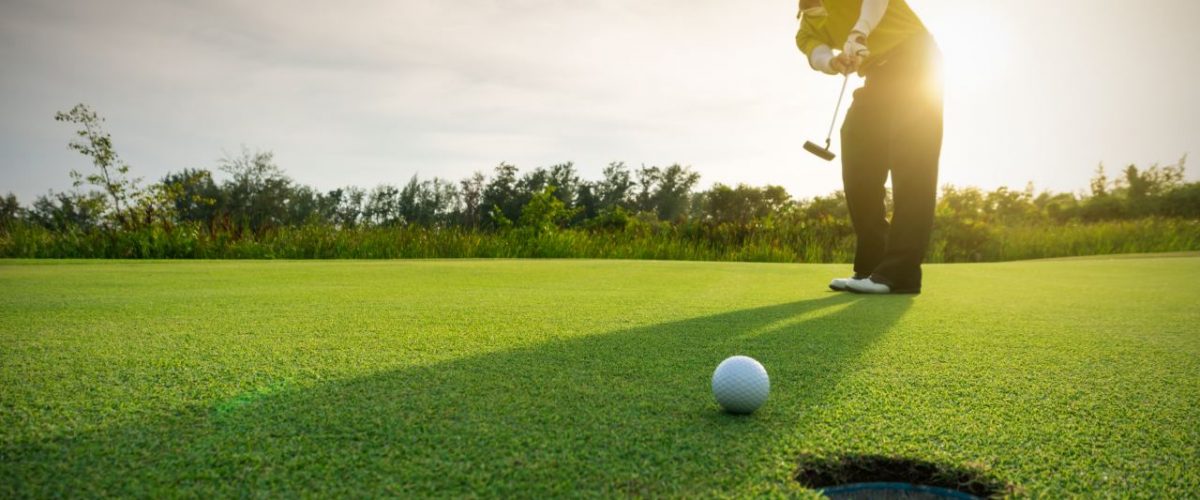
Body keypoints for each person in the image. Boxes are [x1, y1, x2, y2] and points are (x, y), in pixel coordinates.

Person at [796, 0, 943, 294]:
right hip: (876, 74)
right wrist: (834, 62)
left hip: (915, 58)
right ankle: (872, 266)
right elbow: (815, 51)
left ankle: (900, 273)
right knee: (856, 148)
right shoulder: (807, 23)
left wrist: (859, 32)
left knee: (911, 160)